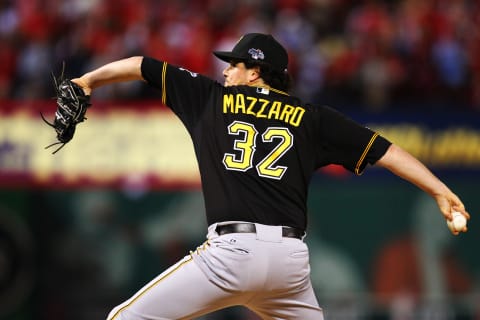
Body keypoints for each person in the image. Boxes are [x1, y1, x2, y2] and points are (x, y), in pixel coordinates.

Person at [69, 33, 470, 320]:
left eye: (234, 65)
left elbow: (142, 65)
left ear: (256, 72)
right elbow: (387, 150)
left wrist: (87, 81)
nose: (226, 72)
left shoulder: (212, 99)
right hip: (288, 264)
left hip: (230, 254)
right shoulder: (313, 118)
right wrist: (440, 191)